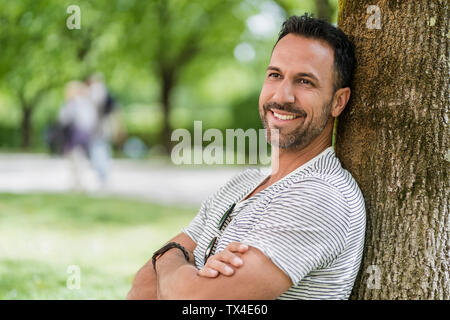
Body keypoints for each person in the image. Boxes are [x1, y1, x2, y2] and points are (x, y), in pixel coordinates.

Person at [127, 14, 365, 300]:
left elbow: (193, 302)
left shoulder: (323, 195)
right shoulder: (243, 183)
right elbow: (141, 288)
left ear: (338, 101)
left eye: (305, 81)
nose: (283, 95)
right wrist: (184, 271)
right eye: (275, 75)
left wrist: (172, 258)